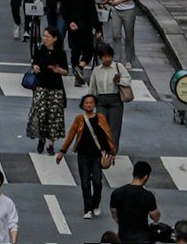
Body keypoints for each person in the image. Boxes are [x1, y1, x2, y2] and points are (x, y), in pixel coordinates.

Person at [57, 91, 116, 220]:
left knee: (97, 182)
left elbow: (107, 135)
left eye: (91, 103)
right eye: (86, 103)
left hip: (97, 156)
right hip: (83, 155)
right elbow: (71, 135)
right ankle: (87, 208)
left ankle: (95, 203)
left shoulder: (100, 118)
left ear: (94, 104)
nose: (89, 105)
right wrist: (62, 151)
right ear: (83, 105)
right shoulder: (79, 119)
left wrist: (111, 151)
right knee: (84, 182)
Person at [28, 25, 69, 154]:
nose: (45, 39)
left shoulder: (60, 53)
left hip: (56, 88)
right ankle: (41, 139)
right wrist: (35, 67)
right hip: (41, 86)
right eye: (44, 36)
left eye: (48, 37)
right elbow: (34, 63)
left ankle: (51, 144)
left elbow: (66, 71)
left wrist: (58, 70)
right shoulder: (40, 51)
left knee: (54, 117)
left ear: (55, 38)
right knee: (40, 114)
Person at [109, 160, 161, 244]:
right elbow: (155, 217)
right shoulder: (148, 196)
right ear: (146, 177)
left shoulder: (117, 193)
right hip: (143, 238)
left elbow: (114, 214)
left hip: (123, 236)